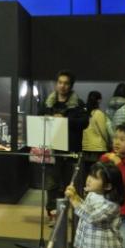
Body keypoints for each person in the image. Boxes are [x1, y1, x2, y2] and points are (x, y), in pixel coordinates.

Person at [40, 70, 89, 216]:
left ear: (71, 86)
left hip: (71, 151)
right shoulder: (47, 103)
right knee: (51, 184)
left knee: (70, 184)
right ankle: (51, 213)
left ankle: (69, 214)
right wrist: (50, 119)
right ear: (56, 84)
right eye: (60, 82)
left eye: (66, 83)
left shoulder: (78, 104)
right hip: (51, 149)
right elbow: (39, 119)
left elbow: (85, 122)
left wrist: (65, 121)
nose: (62, 86)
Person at [81, 91, 111, 178]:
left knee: (87, 174)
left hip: (86, 148)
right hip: (98, 149)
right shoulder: (98, 113)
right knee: (98, 174)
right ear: (99, 100)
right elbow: (103, 131)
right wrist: (108, 143)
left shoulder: (84, 113)